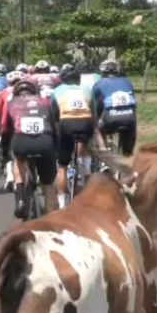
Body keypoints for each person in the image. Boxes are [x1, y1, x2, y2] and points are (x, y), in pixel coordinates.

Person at [0, 79, 59, 219]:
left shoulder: (12, 103)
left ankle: (20, 199)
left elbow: (5, 128)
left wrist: (5, 149)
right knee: (48, 184)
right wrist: (55, 148)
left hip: (21, 142)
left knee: (18, 162)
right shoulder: (45, 102)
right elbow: (55, 127)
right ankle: (51, 219)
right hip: (45, 142)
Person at [51, 63, 97, 208]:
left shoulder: (57, 91)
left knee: (62, 166)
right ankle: (86, 170)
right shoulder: (87, 90)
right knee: (85, 147)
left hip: (66, 123)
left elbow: (54, 116)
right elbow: (94, 113)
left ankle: (63, 204)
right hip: (85, 122)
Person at [93, 59, 138, 155]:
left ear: (102, 72)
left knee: (97, 130)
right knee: (128, 152)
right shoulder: (127, 82)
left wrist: (96, 119)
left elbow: (97, 107)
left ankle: (104, 157)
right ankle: (127, 156)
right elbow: (134, 104)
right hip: (130, 119)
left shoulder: (99, 84)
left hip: (111, 118)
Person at [0, 71, 23, 190]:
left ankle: (9, 177)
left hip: (9, 125)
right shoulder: (31, 92)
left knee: (6, 150)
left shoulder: (5, 92)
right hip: (24, 127)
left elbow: (1, 114)